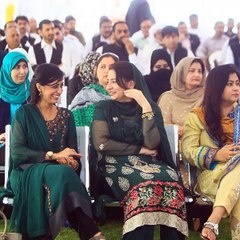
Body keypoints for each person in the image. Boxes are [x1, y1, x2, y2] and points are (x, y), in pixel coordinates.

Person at [6, 63, 105, 240]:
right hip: (25, 172)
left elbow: (73, 156)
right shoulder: (25, 113)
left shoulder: (67, 116)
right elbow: (18, 153)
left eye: (61, 85)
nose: (60, 90)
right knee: (61, 175)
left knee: (63, 174)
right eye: (54, 86)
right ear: (39, 87)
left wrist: (72, 162)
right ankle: (91, 232)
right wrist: (54, 156)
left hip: (59, 175)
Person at [91, 61, 188, 240]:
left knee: (172, 180)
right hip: (114, 164)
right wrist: (139, 149)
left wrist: (145, 105)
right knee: (144, 187)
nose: (108, 85)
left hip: (150, 163)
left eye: (114, 81)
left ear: (130, 84)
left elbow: (151, 144)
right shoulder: (103, 108)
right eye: (108, 81)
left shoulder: (150, 107)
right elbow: (101, 144)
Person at [182, 64, 240, 240]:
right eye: (229, 84)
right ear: (216, 86)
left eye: (238, 83)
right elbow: (187, 150)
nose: (236, 88)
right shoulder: (198, 116)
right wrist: (216, 154)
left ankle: (213, 219)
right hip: (212, 174)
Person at [158, 57, 206, 138]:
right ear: (181, 73)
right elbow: (161, 125)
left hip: (201, 143)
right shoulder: (168, 97)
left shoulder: (206, 96)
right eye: (191, 71)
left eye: (200, 71)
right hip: (174, 144)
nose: (197, 75)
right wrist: (179, 129)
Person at [69, 52, 119, 127]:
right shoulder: (85, 94)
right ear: (95, 71)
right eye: (102, 67)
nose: (107, 70)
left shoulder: (124, 94)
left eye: (112, 67)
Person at [0, 51, 30, 165]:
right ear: (8, 69)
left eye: (25, 66)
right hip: (3, 144)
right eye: (17, 67)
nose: (22, 72)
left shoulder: (31, 93)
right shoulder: (0, 93)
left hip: (26, 146)